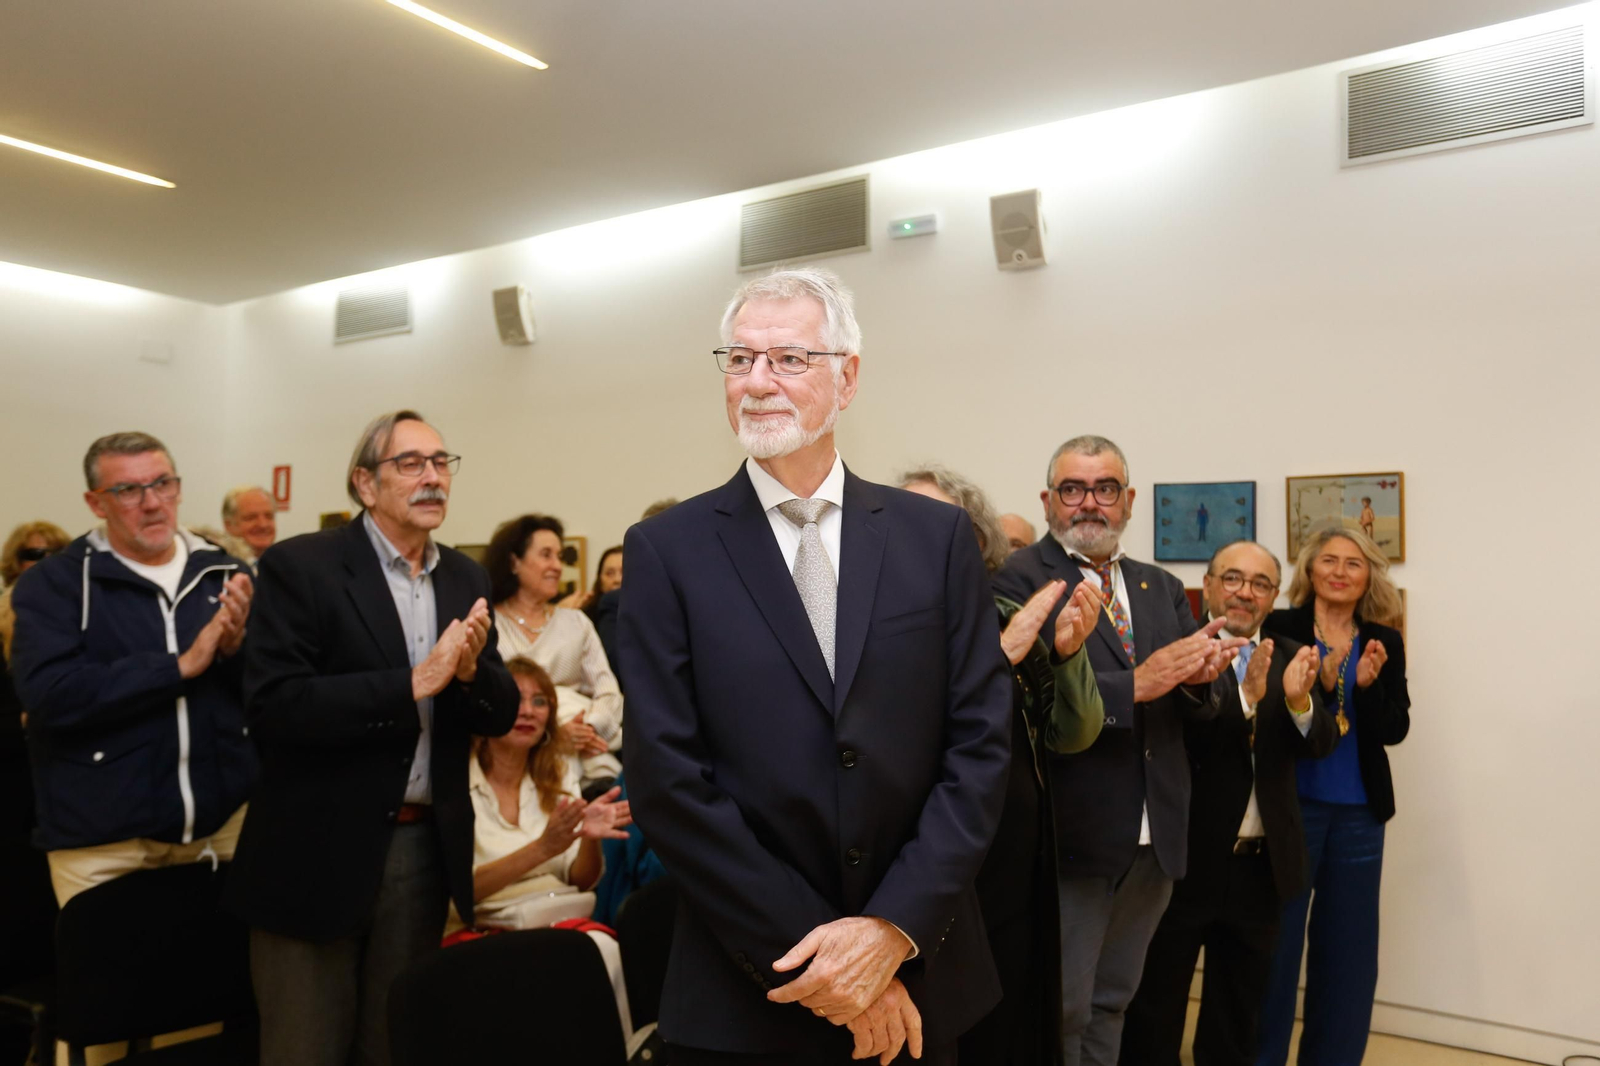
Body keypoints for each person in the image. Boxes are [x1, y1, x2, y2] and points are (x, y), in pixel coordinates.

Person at [620, 268, 1012, 1066]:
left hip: (920, 978)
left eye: (789, 359)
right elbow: (667, 779)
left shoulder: (933, 540)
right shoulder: (668, 551)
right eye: (739, 359)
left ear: (848, 376)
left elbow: (978, 748)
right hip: (750, 987)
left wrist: (890, 932)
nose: (758, 382)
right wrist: (825, 959)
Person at [225, 410, 518, 1066]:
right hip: (314, 851)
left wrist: (468, 674)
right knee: (306, 1048)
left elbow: (497, 711)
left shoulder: (464, 578)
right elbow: (275, 707)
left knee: (394, 1044)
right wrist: (412, 681)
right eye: (410, 464)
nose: (433, 478)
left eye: (442, 463)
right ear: (364, 484)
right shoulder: (303, 566)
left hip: (421, 847)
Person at [992, 434, 1243, 1066]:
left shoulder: (1160, 587)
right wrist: (1143, 681)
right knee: (1064, 1006)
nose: (1089, 505)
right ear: (1049, 502)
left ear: (1128, 501)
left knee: (1114, 1001)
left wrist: (1200, 681)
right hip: (1072, 834)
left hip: (1156, 835)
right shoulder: (1017, 581)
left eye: (1105, 490)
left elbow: (1196, 708)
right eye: (1072, 490)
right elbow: (1025, 698)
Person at [900, 467, 1107, 1065]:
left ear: (975, 541)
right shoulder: (868, 623)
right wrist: (999, 661)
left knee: (1010, 1020)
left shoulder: (1005, 610)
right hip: (927, 858)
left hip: (1012, 856)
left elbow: (1074, 733)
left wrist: (1065, 654)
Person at [9, 433, 255, 904]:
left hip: (221, 828)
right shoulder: (55, 584)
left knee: (220, 974)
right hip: (102, 842)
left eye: (163, 484)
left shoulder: (224, 572)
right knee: (109, 976)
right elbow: (50, 695)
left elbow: (267, 693)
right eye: (128, 490)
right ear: (95, 502)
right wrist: (177, 667)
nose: (152, 503)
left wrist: (236, 649)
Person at [1121, 541, 1336, 1066]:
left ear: (1273, 596)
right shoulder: (1178, 653)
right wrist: (1247, 698)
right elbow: (1193, 738)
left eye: (1260, 583)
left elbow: (1321, 743)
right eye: (1233, 579)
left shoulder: (1290, 655)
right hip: (1183, 864)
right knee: (1155, 1011)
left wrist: (1299, 701)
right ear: (1209, 586)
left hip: (1261, 869)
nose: (1245, 592)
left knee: (1238, 1016)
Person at [1254, 528, 1409, 1066]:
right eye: (1329, 561)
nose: (1341, 571)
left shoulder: (1383, 641)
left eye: (1354, 563)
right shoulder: (1279, 627)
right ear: (1310, 571)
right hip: (1291, 809)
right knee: (1275, 948)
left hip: (1360, 815)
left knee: (1348, 955)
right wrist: (1317, 681)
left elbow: (1395, 730)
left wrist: (1366, 686)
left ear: (1369, 575)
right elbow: (1268, 716)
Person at [459, 655, 631, 929]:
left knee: (604, 948)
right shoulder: (457, 781)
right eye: (515, 698)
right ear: (487, 708)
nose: (528, 711)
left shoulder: (558, 773)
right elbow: (458, 895)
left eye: (539, 701)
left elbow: (580, 880)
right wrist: (542, 848)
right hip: (488, 928)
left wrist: (590, 839)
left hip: (561, 915)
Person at [486, 514, 624, 795]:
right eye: (546, 555)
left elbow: (609, 691)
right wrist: (552, 736)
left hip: (584, 763)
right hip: (508, 768)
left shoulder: (576, 623)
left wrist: (586, 729)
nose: (557, 566)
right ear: (514, 562)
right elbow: (484, 700)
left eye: (560, 556)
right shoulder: (489, 624)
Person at [222, 485, 277, 561]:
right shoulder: (221, 567)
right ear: (229, 525)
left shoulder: (285, 564)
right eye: (251, 518)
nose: (263, 524)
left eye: (269, 516)